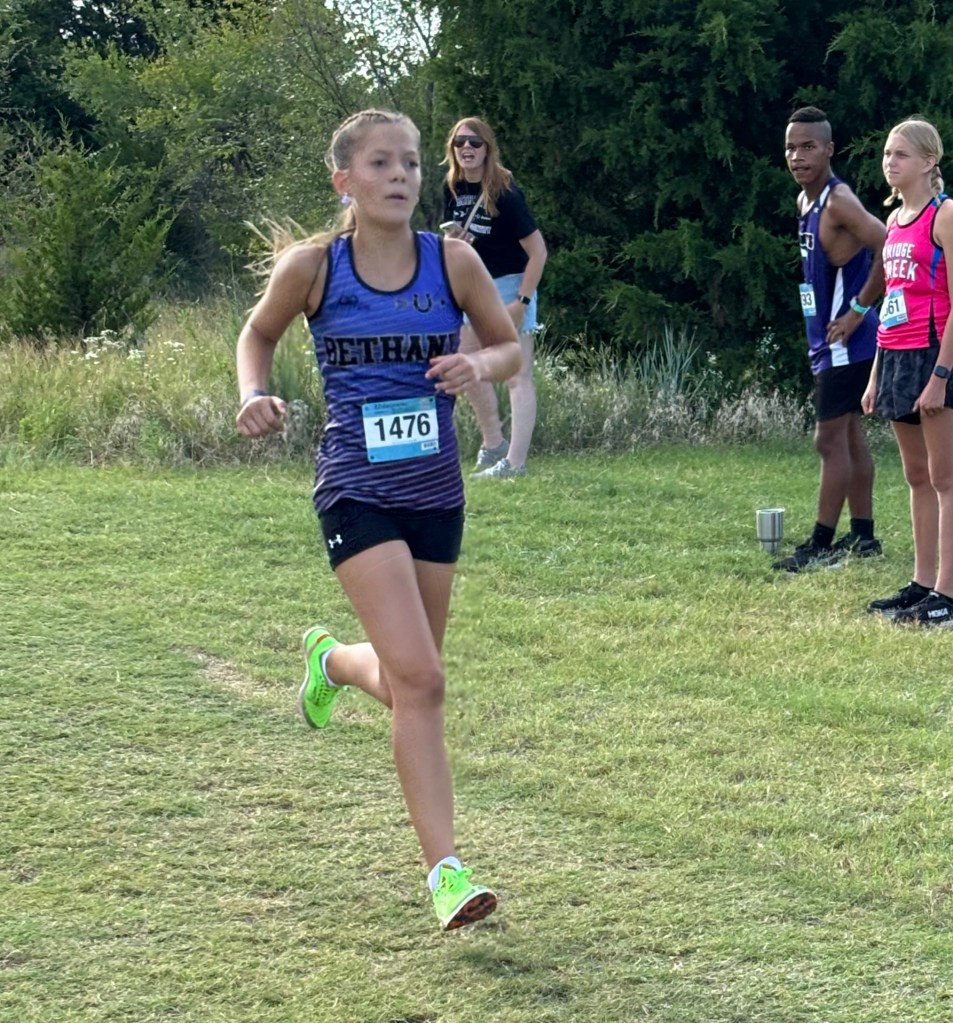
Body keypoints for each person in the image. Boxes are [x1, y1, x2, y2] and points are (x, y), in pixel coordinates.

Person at [234, 109, 521, 927]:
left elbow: (508, 350)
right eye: (380, 163)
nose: (400, 176)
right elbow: (257, 334)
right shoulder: (314, 267)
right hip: (354, 490)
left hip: (435, 493)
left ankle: (330, 662)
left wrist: (477, 363)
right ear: (344, 181)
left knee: (403, 683)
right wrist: (254, 394)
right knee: (424, 680)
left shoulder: (453, 260)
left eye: (410, 164)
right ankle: (447, 875)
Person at [775, 106, 886, 572]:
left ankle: (819, 545)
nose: (797, 156)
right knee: (850, 436)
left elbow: (888, 243)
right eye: (790, 148)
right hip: (826, 342)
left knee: (827, 440)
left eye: (808, 147)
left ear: (829, 150)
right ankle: (863, 536)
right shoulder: (806, 201)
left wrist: (858, 311)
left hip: (847, 343)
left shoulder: (838, 201)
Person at [862, 117, 953, 626]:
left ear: (928, 161)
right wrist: (876, 375)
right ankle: (921, 583)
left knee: (945, 478)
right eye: (886, 153)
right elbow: (892, 302)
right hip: (896, 353)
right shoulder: (895, 221)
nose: (889, 162)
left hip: (934, 353)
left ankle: (947, 593)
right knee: (916, 475)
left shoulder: (945, 215)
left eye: (900, 154)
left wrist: (941, 375)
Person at [441, 116, 547, 478]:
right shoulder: (452, 187)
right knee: (467, 365)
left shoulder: (505, 192)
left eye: (475, 142)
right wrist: (455, 243)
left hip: (510, 286)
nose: (467, 148)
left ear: (488, 148)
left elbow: (539, 252)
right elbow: (453, 244)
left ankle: (516, 464)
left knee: (517, 375)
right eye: (459, 143)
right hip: (472, 286)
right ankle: (493, 444)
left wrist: (522, 302)